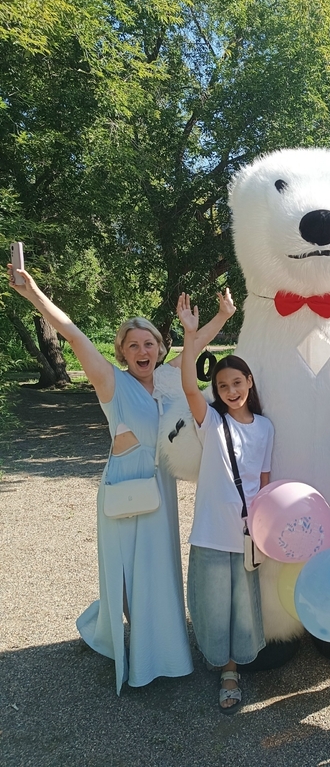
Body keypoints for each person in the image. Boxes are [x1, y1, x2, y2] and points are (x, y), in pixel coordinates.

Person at [7, 261, 235, 694]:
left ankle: (163, 653)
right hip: (124, 490)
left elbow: (195, 344)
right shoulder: (110, 382)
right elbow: (73, 334)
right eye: (133, 345)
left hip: (160, 489)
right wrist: (33, 294)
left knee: (159, 571)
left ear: (159, 349)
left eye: (149, 343)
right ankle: (130, 646)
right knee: (128, 573)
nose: (142, 350)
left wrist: (222, 316)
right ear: (122, 353)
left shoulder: (167, 379)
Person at [177, 292, 274, 714]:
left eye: (237, 383)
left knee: (244, 606)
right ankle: (224, 668)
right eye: (222, 386)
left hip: (247, 533)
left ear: (249, 383)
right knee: (213, 604)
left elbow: (265, 484)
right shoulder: (212, 421)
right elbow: (187, 384)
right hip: (211, 531)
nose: (231, 391)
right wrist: (192, 334)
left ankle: (239, 663)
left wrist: (267, 530)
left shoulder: (266, 428)